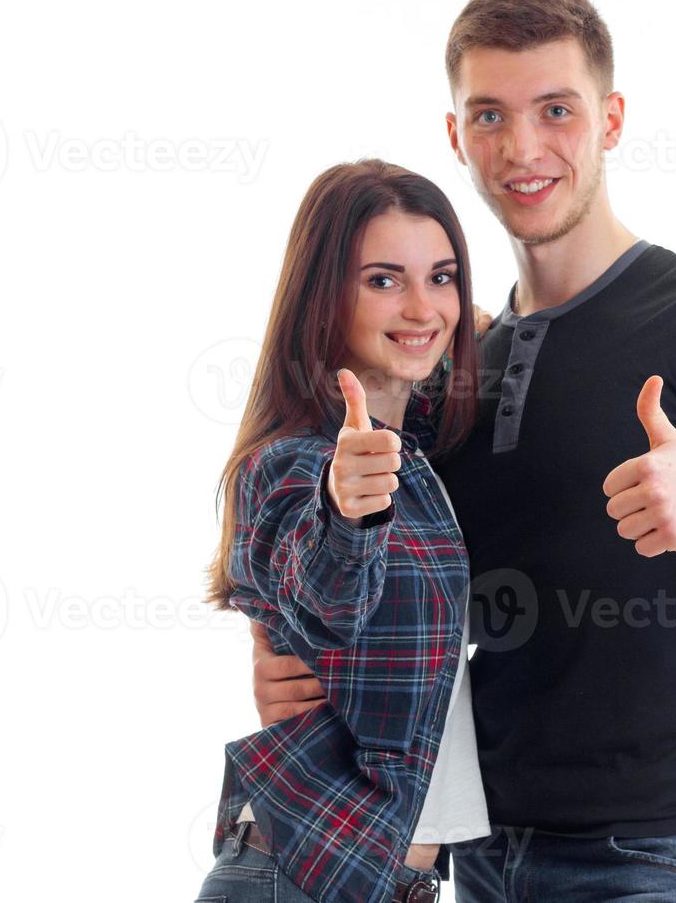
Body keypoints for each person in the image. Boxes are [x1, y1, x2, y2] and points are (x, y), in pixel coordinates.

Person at [251, 0, 676, 902]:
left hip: (654, 856)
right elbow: (348, 541)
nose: (522, 148)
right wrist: (281, 642)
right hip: (481, 854)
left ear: (609, 119)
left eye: (555, 110)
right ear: (456, 136)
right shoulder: (453, 357)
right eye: (490, 115)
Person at [199, 159, 493, 903]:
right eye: (383, 280)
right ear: (324, 295)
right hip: (303, 878)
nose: (422, 307)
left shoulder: (420, 447)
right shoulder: (295, 463)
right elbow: (324, 599)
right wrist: (348, 512)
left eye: (443, 276)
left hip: (395, 882)